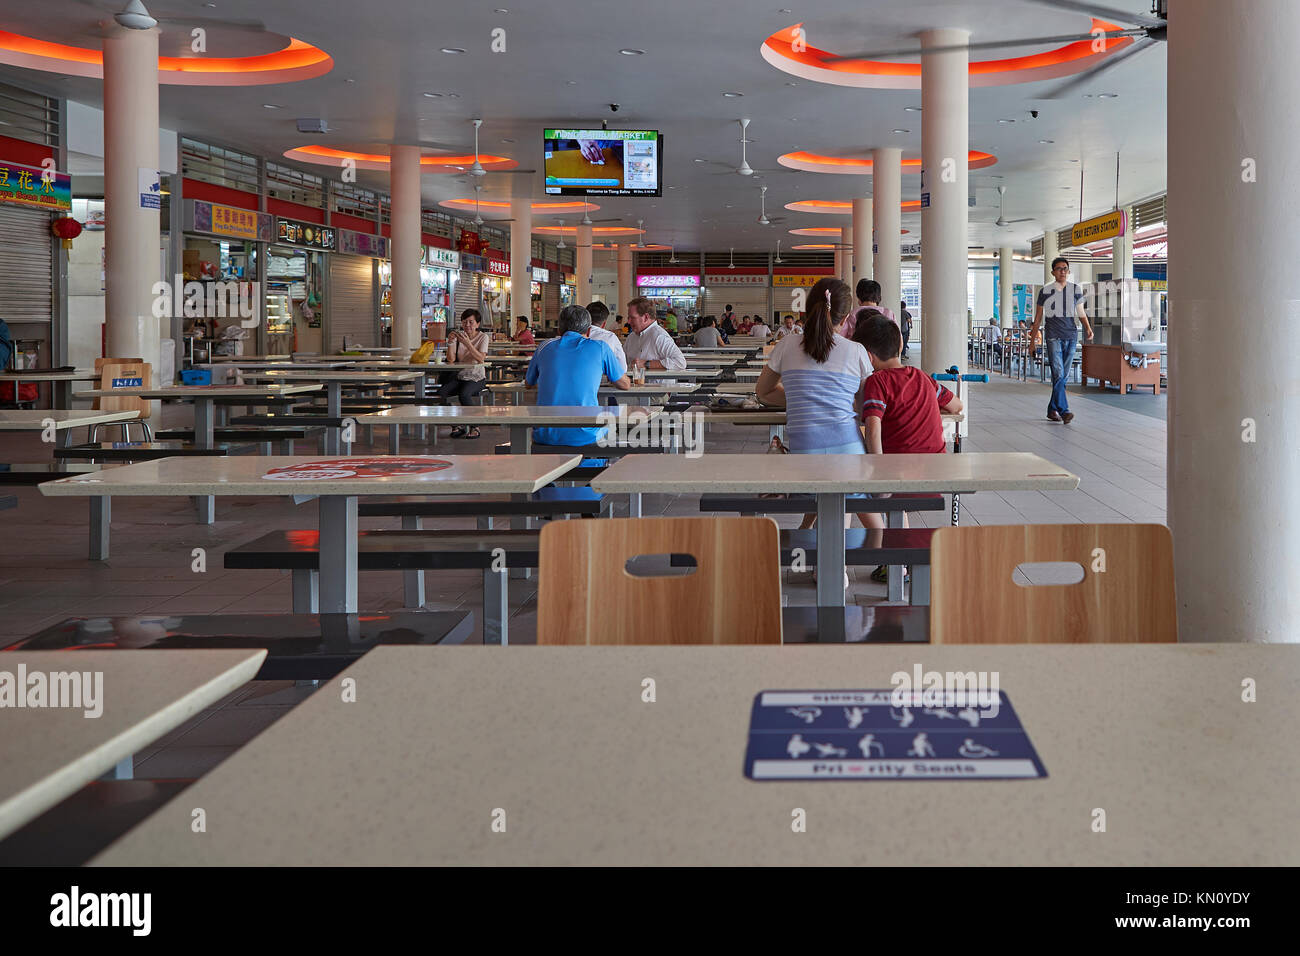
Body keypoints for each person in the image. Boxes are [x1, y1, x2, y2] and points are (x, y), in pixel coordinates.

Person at [524, 304, 631, 446]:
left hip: (545, 434)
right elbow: (624, 384)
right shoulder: (600, 347)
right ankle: (599, 465)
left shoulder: (544, 347)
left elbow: (528, 384)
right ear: (588, 330)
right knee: (610, 425)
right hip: (586, 434)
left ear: (559, 330)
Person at [1031, 257, 1094, 424]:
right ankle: (1064, 411)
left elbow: (1081, 312)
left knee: (1062, 377)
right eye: (1059, 268)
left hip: (1071, 336)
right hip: (1053, 336)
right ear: (1053, 272)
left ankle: (1052, 409)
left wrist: (1087, 328)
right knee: (1059, 374)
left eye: (1065, 268)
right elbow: (1037, 318)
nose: (1063, 271)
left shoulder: (1075, 289)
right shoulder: (1045, 291)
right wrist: (1032, 341)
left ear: (1069, 271)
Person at [439, 309, 491, 437]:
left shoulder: (483, 337)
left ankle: (475, 426)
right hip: (460, 376)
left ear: (477, 324)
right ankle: (456, 425)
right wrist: (451, 342)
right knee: (441, 394)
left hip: (476, 377)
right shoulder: (459, 336)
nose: (467, 325)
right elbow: (451, 359)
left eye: (471, 322)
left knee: (464, 394)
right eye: (464, 322)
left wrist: (467, 343)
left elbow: (480, 358)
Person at [623, 296, 687, 371]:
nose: (628, 322)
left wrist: (646, 364)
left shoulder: (659, 336)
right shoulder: (632, 336)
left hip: (657, 383)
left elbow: (680, 362)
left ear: (646, 317)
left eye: (632, 318)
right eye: (628, 318)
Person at [583, 300, 629, 379]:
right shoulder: (610, 337)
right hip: (603, 384)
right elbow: (622, 368)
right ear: (604, 323)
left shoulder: (575, 335)